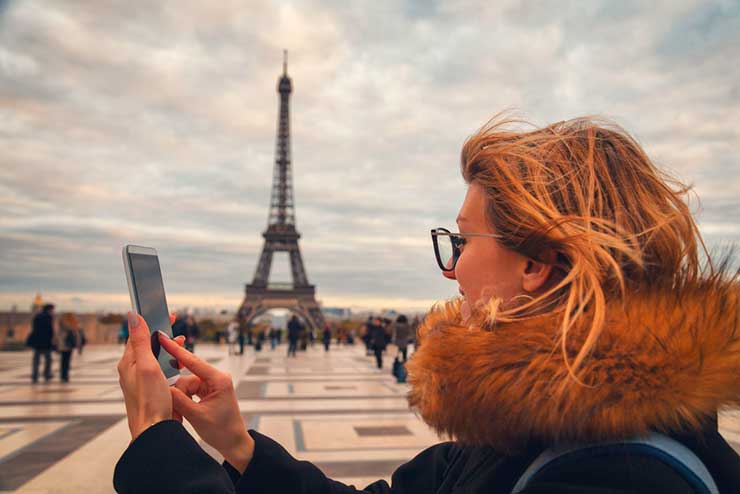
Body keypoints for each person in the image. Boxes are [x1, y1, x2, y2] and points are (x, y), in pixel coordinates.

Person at [114, 117, 740, 493]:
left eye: (462, 241)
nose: (452, 267)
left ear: (536, 263)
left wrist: (156, 445)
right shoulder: (535, 419)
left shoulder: (618, 476)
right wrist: (238, 444)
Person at [26, 303, 55, 383]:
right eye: (53, 310)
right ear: (49, 309)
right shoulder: (48, 317)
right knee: (48, 360)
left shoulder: (37, 316)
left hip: (37, 341)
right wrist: (52, 340)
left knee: (36, 360)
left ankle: (35, 376)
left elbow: (34, 328)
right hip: (46, 342)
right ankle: (46, 374)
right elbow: (50, 330)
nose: (53, 312)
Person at [57, 312, 79, 382]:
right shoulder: (69, 325)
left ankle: (64, 375)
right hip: (66, 344)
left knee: (65, 361)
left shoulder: (63, 324)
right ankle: (64, 376)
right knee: (65, 361)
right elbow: (74, 332)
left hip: (66, 344)